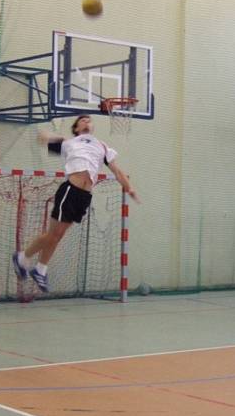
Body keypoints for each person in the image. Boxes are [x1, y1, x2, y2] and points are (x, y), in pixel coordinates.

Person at [12, 114, 139, 292]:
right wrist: (52, 135)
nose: (86, 121)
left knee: (57, 235)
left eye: (89, 120)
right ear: (76, 128)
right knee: (53, 234)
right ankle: (22, 258)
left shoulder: (101, 146)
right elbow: (41, 137)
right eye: (82, 120)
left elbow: (117, 171)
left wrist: (129, 188)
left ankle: (40, 269)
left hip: (84, 196)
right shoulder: (69, 143)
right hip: (70, 190)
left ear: (92, 127)